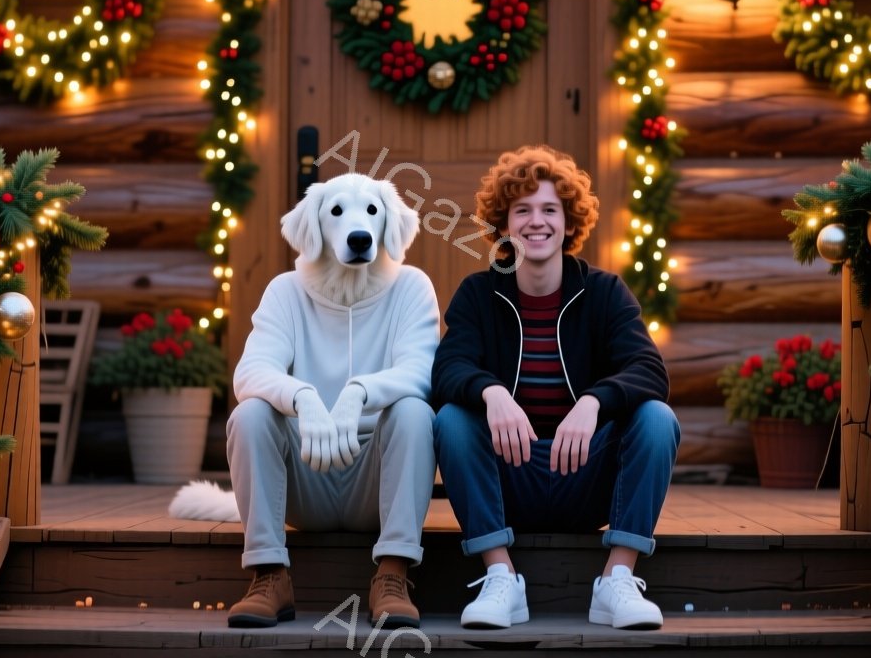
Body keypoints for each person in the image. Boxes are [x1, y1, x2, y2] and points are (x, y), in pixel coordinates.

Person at [430, 145, 680, 630]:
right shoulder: (478, 295)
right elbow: (448, 370)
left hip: (586, 478)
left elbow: (649, 369)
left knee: (656, 418)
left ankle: (617, 580)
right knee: (451, 419)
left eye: (550, 209)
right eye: (522, 210)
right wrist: (492, 393)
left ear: (569, 223)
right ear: (504, 226)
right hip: (509, 482)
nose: (536, 222)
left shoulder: (605, 292)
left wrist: (593, 401)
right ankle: (500, 577)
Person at [225, 173, 439, 629]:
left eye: (371, 212)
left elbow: (421, 373)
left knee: (415, 411)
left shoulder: (412, 287)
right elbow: (250, 372)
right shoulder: (285, 291)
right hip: (306, 478)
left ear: (389, 227)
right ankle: (269, 574)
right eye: (337, 211)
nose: (357, 227)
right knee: (250, 414)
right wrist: (303, 397)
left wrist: (358, 392)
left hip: (375, 485)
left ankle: (393, 574)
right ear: (314, 228)